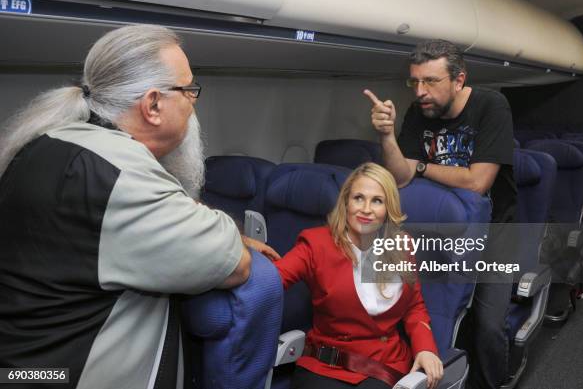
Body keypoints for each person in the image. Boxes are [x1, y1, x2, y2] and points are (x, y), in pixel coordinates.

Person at [0, 24, 276, 389]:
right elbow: (233, 263)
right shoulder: (117, 174)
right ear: (153, 105)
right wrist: (225, 230)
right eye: (189, 90)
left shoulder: (48, 145)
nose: (194, 101)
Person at [364, 39, 517, 389]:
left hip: (495, 229)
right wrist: (386, 136)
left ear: (459, 80)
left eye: (431, 81)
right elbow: (400, 177)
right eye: (415, 81)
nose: (420, 91)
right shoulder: (421, 109)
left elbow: (477, 182)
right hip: (438, 226)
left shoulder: (491, 105)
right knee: (423, 312)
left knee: (489, 325)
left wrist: (420, 167)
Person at [274, 163, 443, 389]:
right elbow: (272, 281)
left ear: (388, 208)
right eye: (358, 198)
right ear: (346, 202)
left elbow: (414, 306)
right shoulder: (316, 243)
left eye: (377, 201)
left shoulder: (402, 246)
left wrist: (425, 348)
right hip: (326, 365)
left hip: (383, 365)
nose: (366, 209)